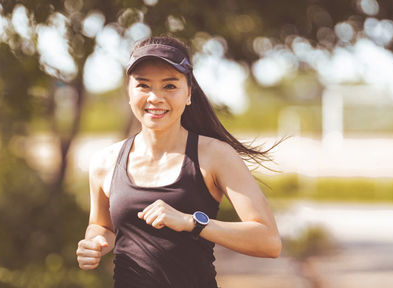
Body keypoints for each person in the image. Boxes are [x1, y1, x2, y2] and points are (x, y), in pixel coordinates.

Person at [76, 36, 282, 287]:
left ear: (188, 94)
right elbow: (101, 226)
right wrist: (95, 242)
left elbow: (269, 241)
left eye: (170, 86)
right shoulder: (104, 162)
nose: (155, 97)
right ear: (129, 93)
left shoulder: (215, 155)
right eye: (143, 85)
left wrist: (191, 222)